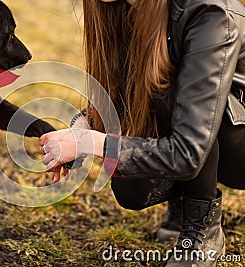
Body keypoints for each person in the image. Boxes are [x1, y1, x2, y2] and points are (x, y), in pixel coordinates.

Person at [39, 0, 245, 266]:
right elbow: (124, 90)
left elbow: (189, 150)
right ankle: (184, 198)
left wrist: (90, 142)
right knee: (132, 188)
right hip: (198, 130)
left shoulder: (209, 14)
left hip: (237, 143)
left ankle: (201, 225)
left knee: (171, 85)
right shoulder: (119, 7)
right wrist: (82, 126)